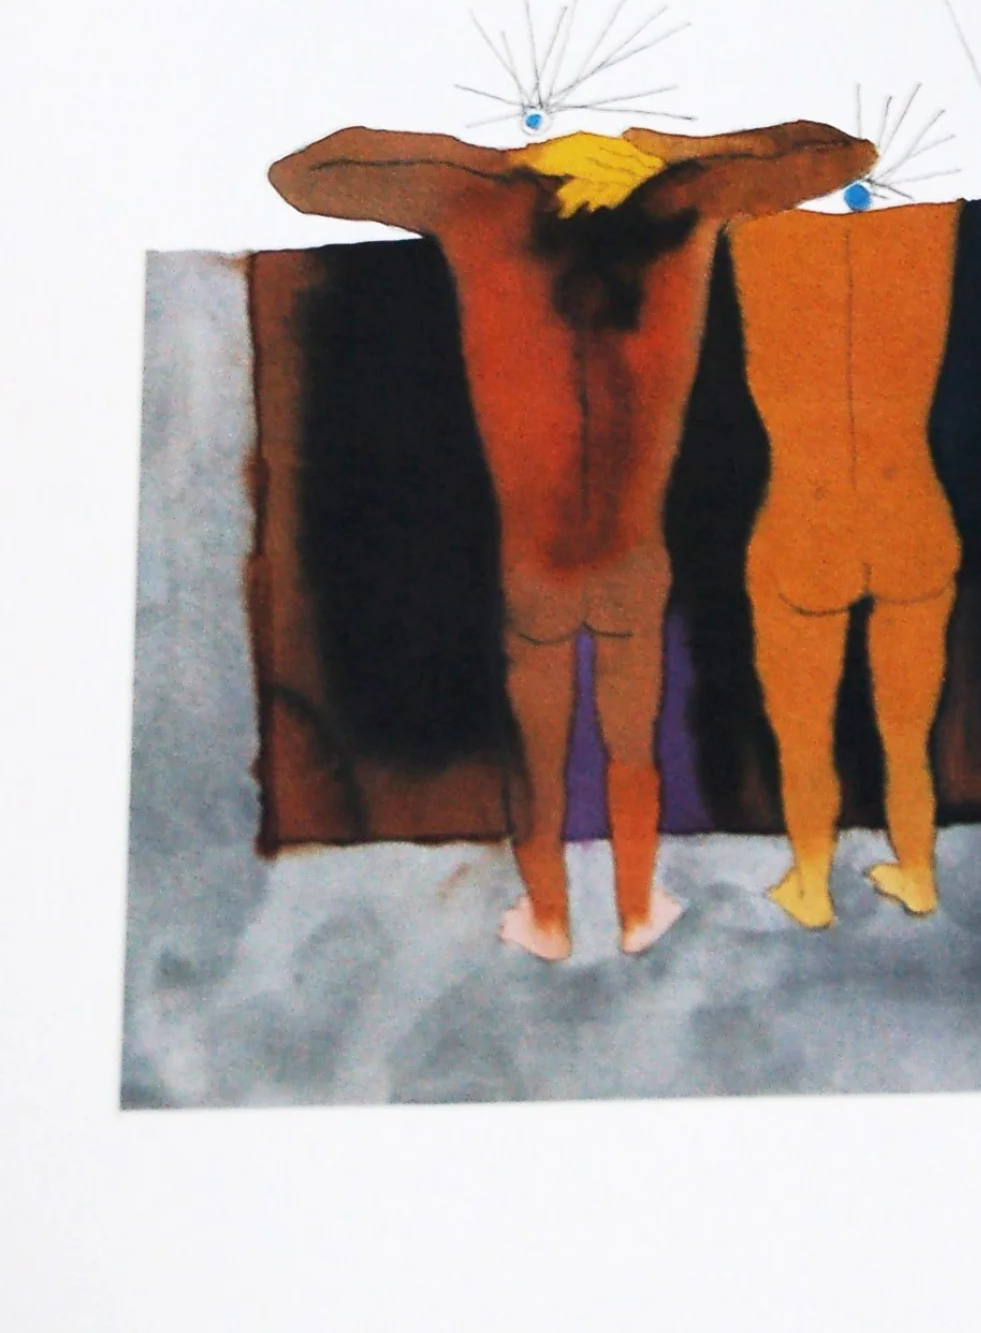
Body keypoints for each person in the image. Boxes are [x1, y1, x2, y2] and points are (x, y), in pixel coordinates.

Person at [268, 116, 873, 962]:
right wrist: (666, 150)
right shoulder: (686, 204)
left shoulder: (481, 207)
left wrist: (505, 159)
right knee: (633, 750)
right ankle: (635, 910)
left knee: (539, 758)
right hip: (635, 560)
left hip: (535, 568)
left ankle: (549, 919)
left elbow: (300, 174)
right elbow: (844, 154)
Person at [731, 198, 961, 928]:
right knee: (909, 737)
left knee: (803, 738)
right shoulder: (926, 222)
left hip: (809, 516)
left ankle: (811, 882)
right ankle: (916, 872)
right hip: (911, 508)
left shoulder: (764, 227)